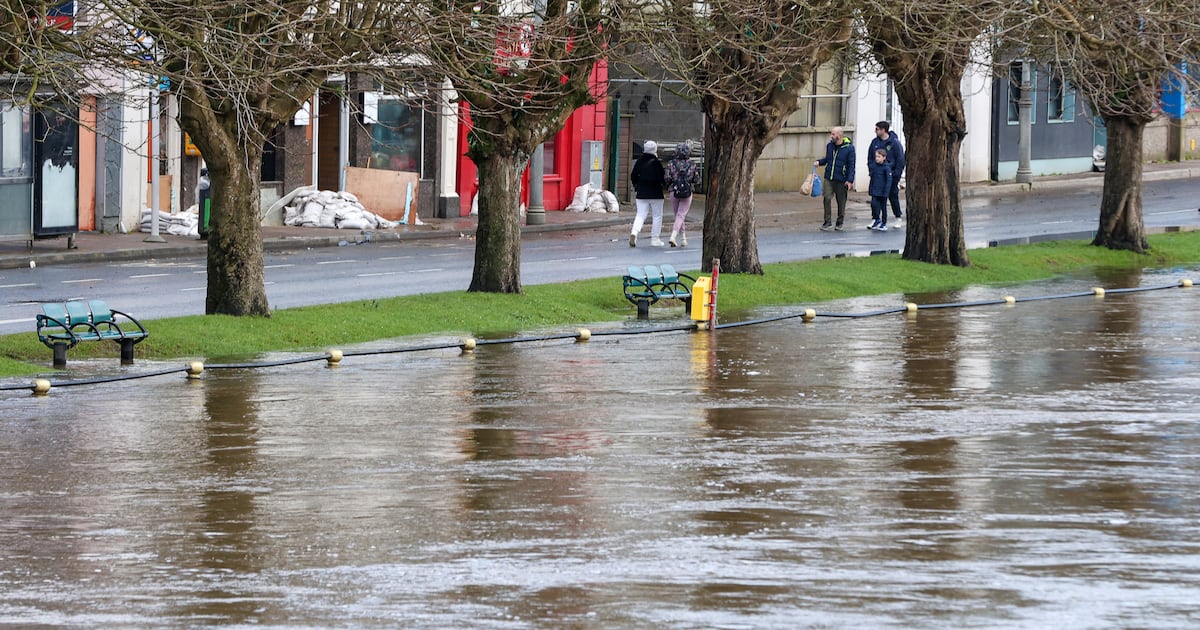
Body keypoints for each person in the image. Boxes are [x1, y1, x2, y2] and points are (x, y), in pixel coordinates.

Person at [813, 126, 855, 231]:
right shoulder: (830, 146)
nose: (831, 136)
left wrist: (849, 180)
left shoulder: (849, 148)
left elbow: (851, 165)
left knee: (841, 201)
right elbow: (828, 159)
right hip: (829, 177)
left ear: (839, 135)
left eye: (833, 134)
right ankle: (827, 221)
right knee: (827, 197)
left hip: (842, 178)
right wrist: (819, 162)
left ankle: (840, 222)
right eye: (831, 134)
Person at [629, 140, 666, 247]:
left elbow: (633, 176)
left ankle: (634, 233)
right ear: (655, 149)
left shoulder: (639, 162)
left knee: (640, 215)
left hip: (641, 194)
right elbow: (663, 179)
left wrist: (637, 186)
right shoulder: (657, 163)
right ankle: (655, 239)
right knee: (657, 216)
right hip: (656, 194)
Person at [868, 120, 906, 223]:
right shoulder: (875, 142)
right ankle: (876, 218)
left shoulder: (894, 143)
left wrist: (896, 174)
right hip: (877, 176)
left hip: (890, 175)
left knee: (892, 196)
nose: (875, 131)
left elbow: (900, 159)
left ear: (883, 130)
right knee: (875, 198)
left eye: (877, 129)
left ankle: (898, 216)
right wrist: (872, 170)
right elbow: (870, 158)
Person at [664, 142, 699, 247]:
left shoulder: (671, 163)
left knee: (678, 215)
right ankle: (673, 236)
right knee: (681, 215)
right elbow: (696, 179)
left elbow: (666, 178)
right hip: (687, 192)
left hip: (673, 191)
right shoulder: (692, 164)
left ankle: (683, 238)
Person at [867, 148, 892, 232]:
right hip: (875, 190)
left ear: (884, 157)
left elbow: (888, 180)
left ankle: (884, 222)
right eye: (876, 156)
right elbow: (872, 178)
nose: (877, 158)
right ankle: (876, 219)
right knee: (874, 205)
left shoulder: (886, 168)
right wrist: (870, 189)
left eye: (879, 156)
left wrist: (886, 191)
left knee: (883, 207)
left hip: (883, 191)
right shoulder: (874, 166)